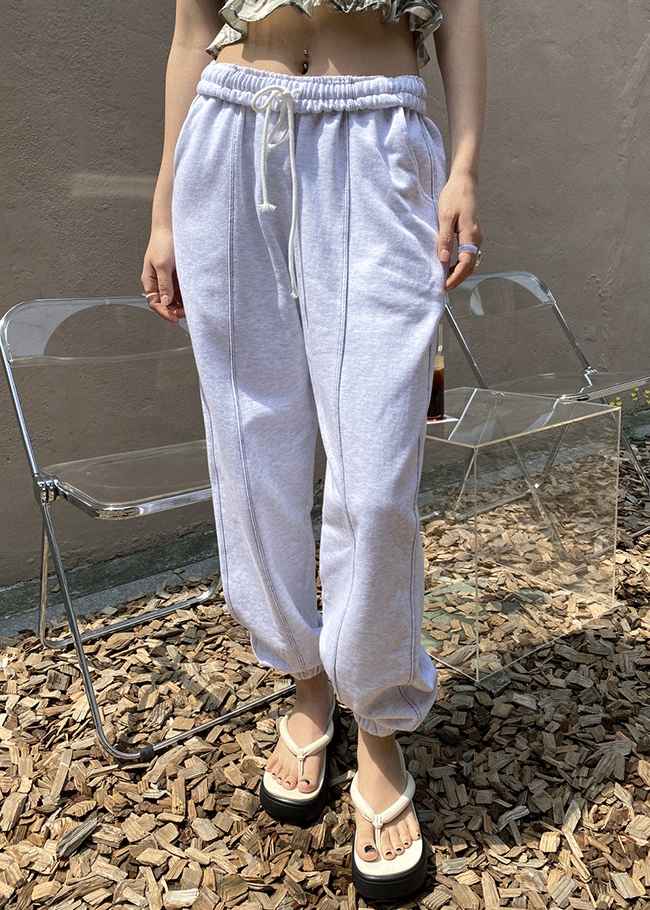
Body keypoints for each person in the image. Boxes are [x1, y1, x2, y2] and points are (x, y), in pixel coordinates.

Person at [142, 0, 485, 898]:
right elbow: (191, 32)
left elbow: (462, 15)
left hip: (379, 139)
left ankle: (379, 722)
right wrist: (163, 209)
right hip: (230, 134)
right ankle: (307, 680)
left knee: (376, 480)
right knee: (250, 454)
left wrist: (464, 167)